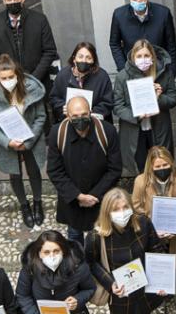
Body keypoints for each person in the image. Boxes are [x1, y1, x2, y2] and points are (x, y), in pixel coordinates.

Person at [86, 188, 167, 314]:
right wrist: (110, 284)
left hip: (146, 282)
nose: (121, 213)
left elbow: (157, 249)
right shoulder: (96, 236)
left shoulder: (143, 223)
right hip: (120, 289)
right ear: (107, 212)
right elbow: (91, 263)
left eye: (125, 207)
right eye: (116, 209)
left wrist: (163, 280)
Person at [0, 54, 48, 229]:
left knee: (34, 172)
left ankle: (37, 202)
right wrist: (7, 142)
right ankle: (24, 205)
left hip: (31, 140)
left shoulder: (31, 89)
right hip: (9, 144)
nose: (8, 80)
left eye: (11, 77)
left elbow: (41, 117)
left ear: (17, 74)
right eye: (4, 78)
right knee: (15, 174)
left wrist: (31, 140)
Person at [46, 96, 122, 246]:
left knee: (102, 237)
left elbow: (115, 169)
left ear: (90, 112)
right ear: (67, 116)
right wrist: (77, 196)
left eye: (84, 115)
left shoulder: (107, 131)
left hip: (100, 199)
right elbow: (54, 170)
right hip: (73, 202)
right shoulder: (57, 133)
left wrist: (95, 195)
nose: (80, 119)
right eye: (74, 116)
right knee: (74, 236)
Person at [132, 146, 176, 314]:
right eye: (157, 167)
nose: (162, 169)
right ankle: (159, 296)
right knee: (156, 263)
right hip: (154, 232)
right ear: (150, 167)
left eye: (165, 165)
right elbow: (136, 209)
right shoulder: (140, 181)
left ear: (171, 163)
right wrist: (152, 230)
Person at [112, 40, 176, 175]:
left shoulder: (165, 73)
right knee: (140, 165)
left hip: (159, 126)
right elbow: (117, 106)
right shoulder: (122, 76)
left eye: (146, 56)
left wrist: (159, 97)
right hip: (134, 128)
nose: (143, 59)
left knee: (161, 162)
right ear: (133, 58)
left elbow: (174, 99)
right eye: (139, 56)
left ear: (152, 57)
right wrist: (135, 115)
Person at [0, 0, 58, 89]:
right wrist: (8, 77)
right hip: (9, 82)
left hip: (38, 81)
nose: (13, 2)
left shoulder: (39, 20)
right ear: (4, 1)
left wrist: (35, 78)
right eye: (9, 0)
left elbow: (50, 51)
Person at [109, 0, 176, 76]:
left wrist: (172, 72)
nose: (138, 1)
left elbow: (171, 45)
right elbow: (114, 44)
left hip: (159, 68)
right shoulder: (119, 15)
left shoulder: (163, 13)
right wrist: (123, 70)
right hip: (132, 70)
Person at [48, 41, 114, 121]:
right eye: (80, 57)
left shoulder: (102, 76)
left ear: (93, 61)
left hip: (95, 121)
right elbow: (54, 98)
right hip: (69, 120)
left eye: (88, 58)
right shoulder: (63, 75)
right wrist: (64, 108)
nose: (84, 60)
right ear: (74, 59)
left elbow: (108, 101)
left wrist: (88, 112)